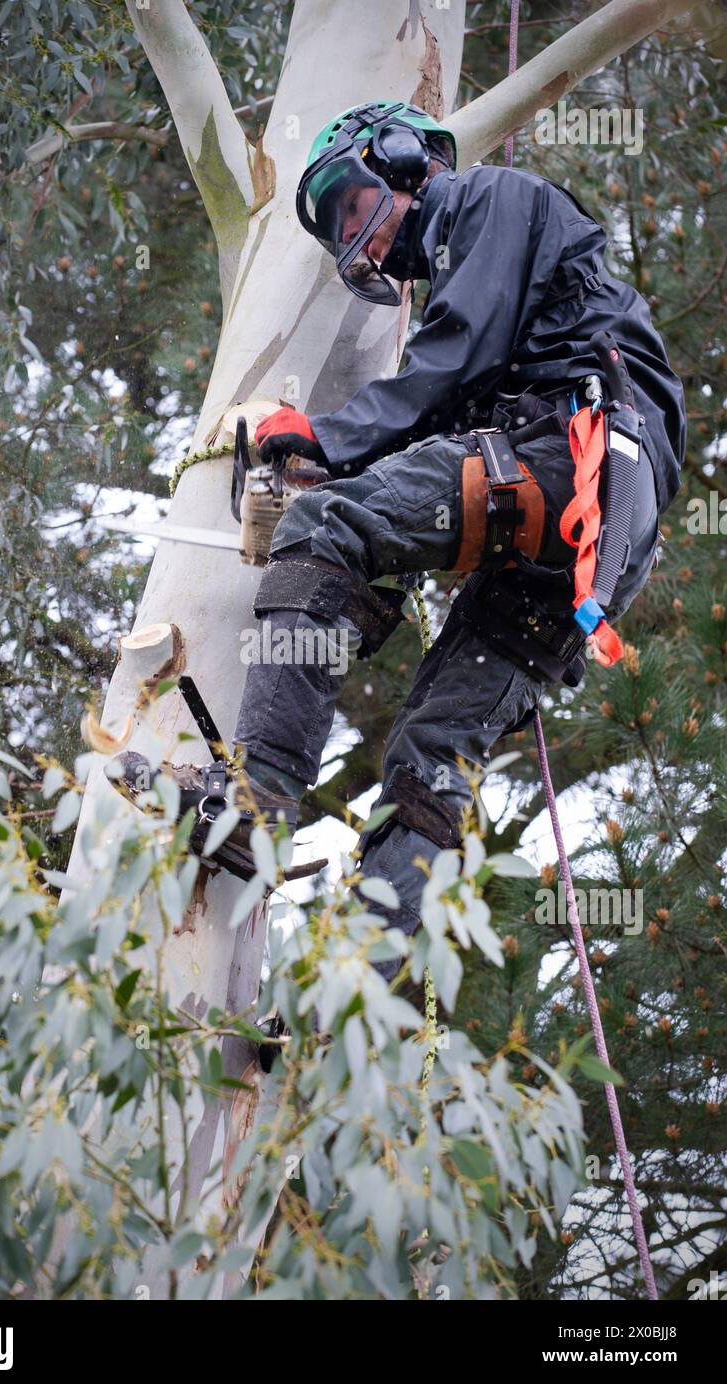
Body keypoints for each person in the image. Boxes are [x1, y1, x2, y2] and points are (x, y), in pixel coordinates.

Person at [108, 100, 686, 983]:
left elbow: (445, 367)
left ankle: (255, 801)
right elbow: (437, 428)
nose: (358, 243)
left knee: (326, 527)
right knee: (430, 747)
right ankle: (360, 988)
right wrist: (343, 467)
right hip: (596, 533)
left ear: (406, 156)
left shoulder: (492, 199)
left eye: (350, 207)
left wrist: (322, 442)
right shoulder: (487, 278)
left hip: (569, 457)